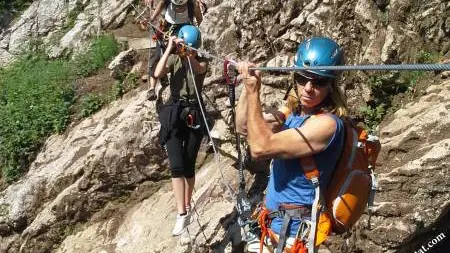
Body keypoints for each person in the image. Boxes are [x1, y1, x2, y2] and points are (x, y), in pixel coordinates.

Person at [235, 37, 348, 252]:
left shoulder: (327, 125)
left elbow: (259, 148)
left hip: (293, 235)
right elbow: (243, 127)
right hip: (271, 225)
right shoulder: (292, 113)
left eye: (318, 81)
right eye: (302, 77)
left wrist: (253, 92)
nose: (307, 88)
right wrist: (247, 87)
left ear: (332, 85)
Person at [153, 24, 209, 236]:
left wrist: (190, 54)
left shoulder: (202, 59)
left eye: (191, 47)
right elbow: (157, 72)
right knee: (176, 166)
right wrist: (169, 48)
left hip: (194, 112)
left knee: (188, 166)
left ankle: (186, 205)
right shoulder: (174, 59)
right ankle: (182, 213)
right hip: (175, 112)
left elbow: (199, 69)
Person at [143, 0, 203, 100]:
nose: (178, 9)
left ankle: (186, 79)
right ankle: (152, 88)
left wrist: (194, 34)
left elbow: (200, 21)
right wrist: (152, 18)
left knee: (183, 55)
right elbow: (161, 4)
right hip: (168, 26)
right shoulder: (166, 1)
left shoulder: (193, 4)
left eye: (181, 7)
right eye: (176, 6)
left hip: (184, 29)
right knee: (157, 54)